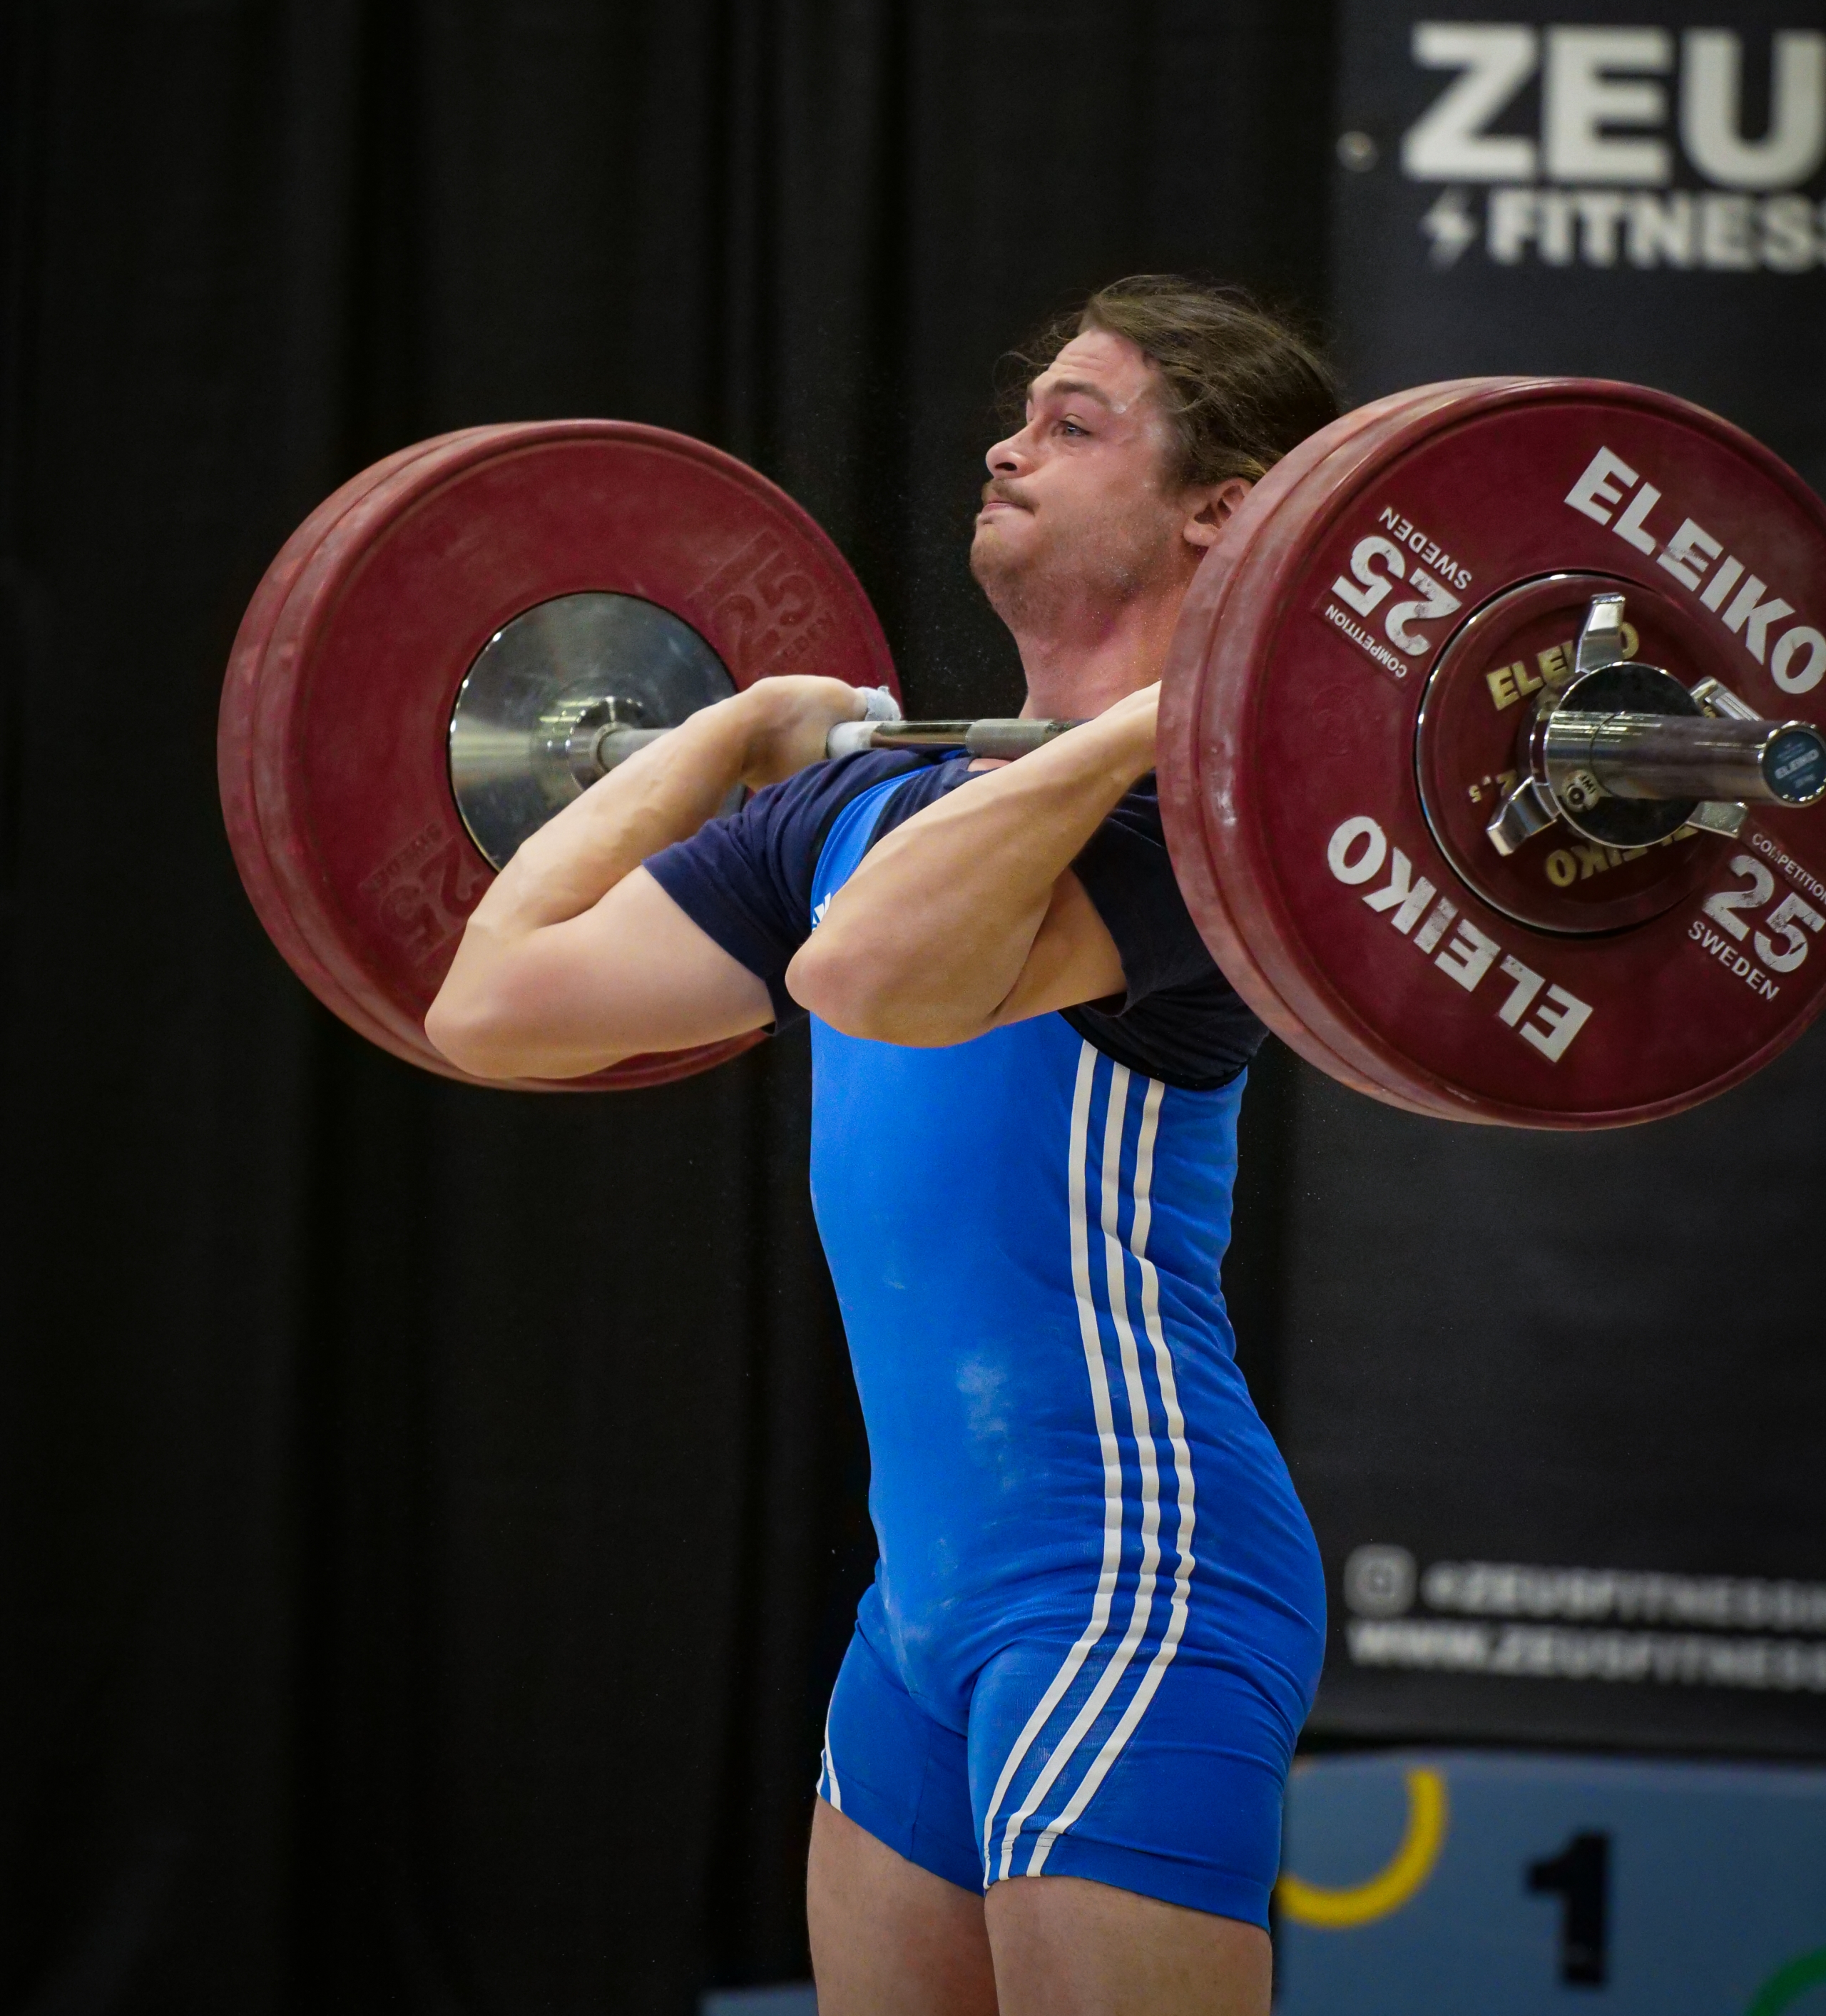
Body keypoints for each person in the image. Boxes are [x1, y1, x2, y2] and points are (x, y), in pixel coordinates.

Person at [426, 275, 1339, 2016]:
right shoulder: (871, 803)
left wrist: (1210, 701)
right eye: (1021, 410)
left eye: (1075, 424)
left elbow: (871, 976)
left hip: (1130, 1585)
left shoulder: (1209, 825)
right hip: (917, 1619)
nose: (1005, 441)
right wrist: (722, 742)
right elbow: (491, 1003)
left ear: (1223, 513)